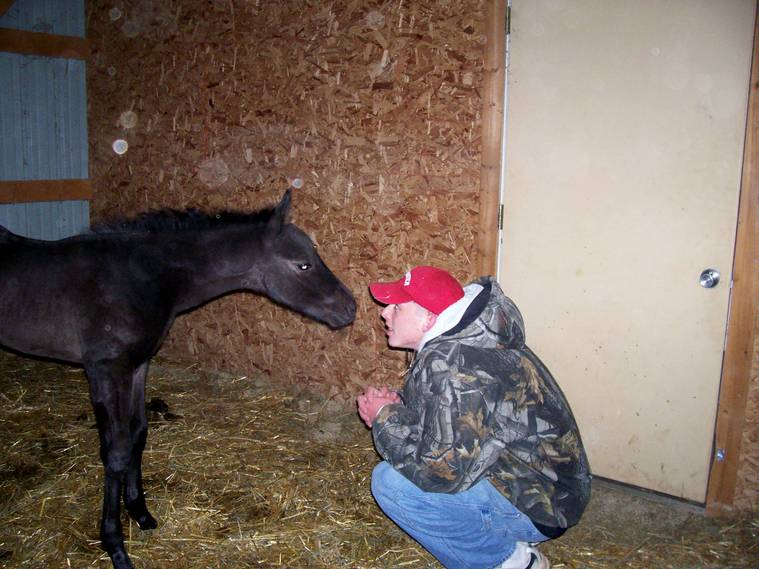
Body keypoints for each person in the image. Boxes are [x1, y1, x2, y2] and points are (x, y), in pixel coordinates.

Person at [357, 266, 591, 569]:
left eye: (397, 308)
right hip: (547, 486)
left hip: (541, 508)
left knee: (392, 485)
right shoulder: (466, 340)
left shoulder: (454, 369)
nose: (385, 313)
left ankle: (510, 560)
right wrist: (398, 406)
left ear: (428, 319)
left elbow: (440, 475)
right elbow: (451, 420)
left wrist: (384, 418)